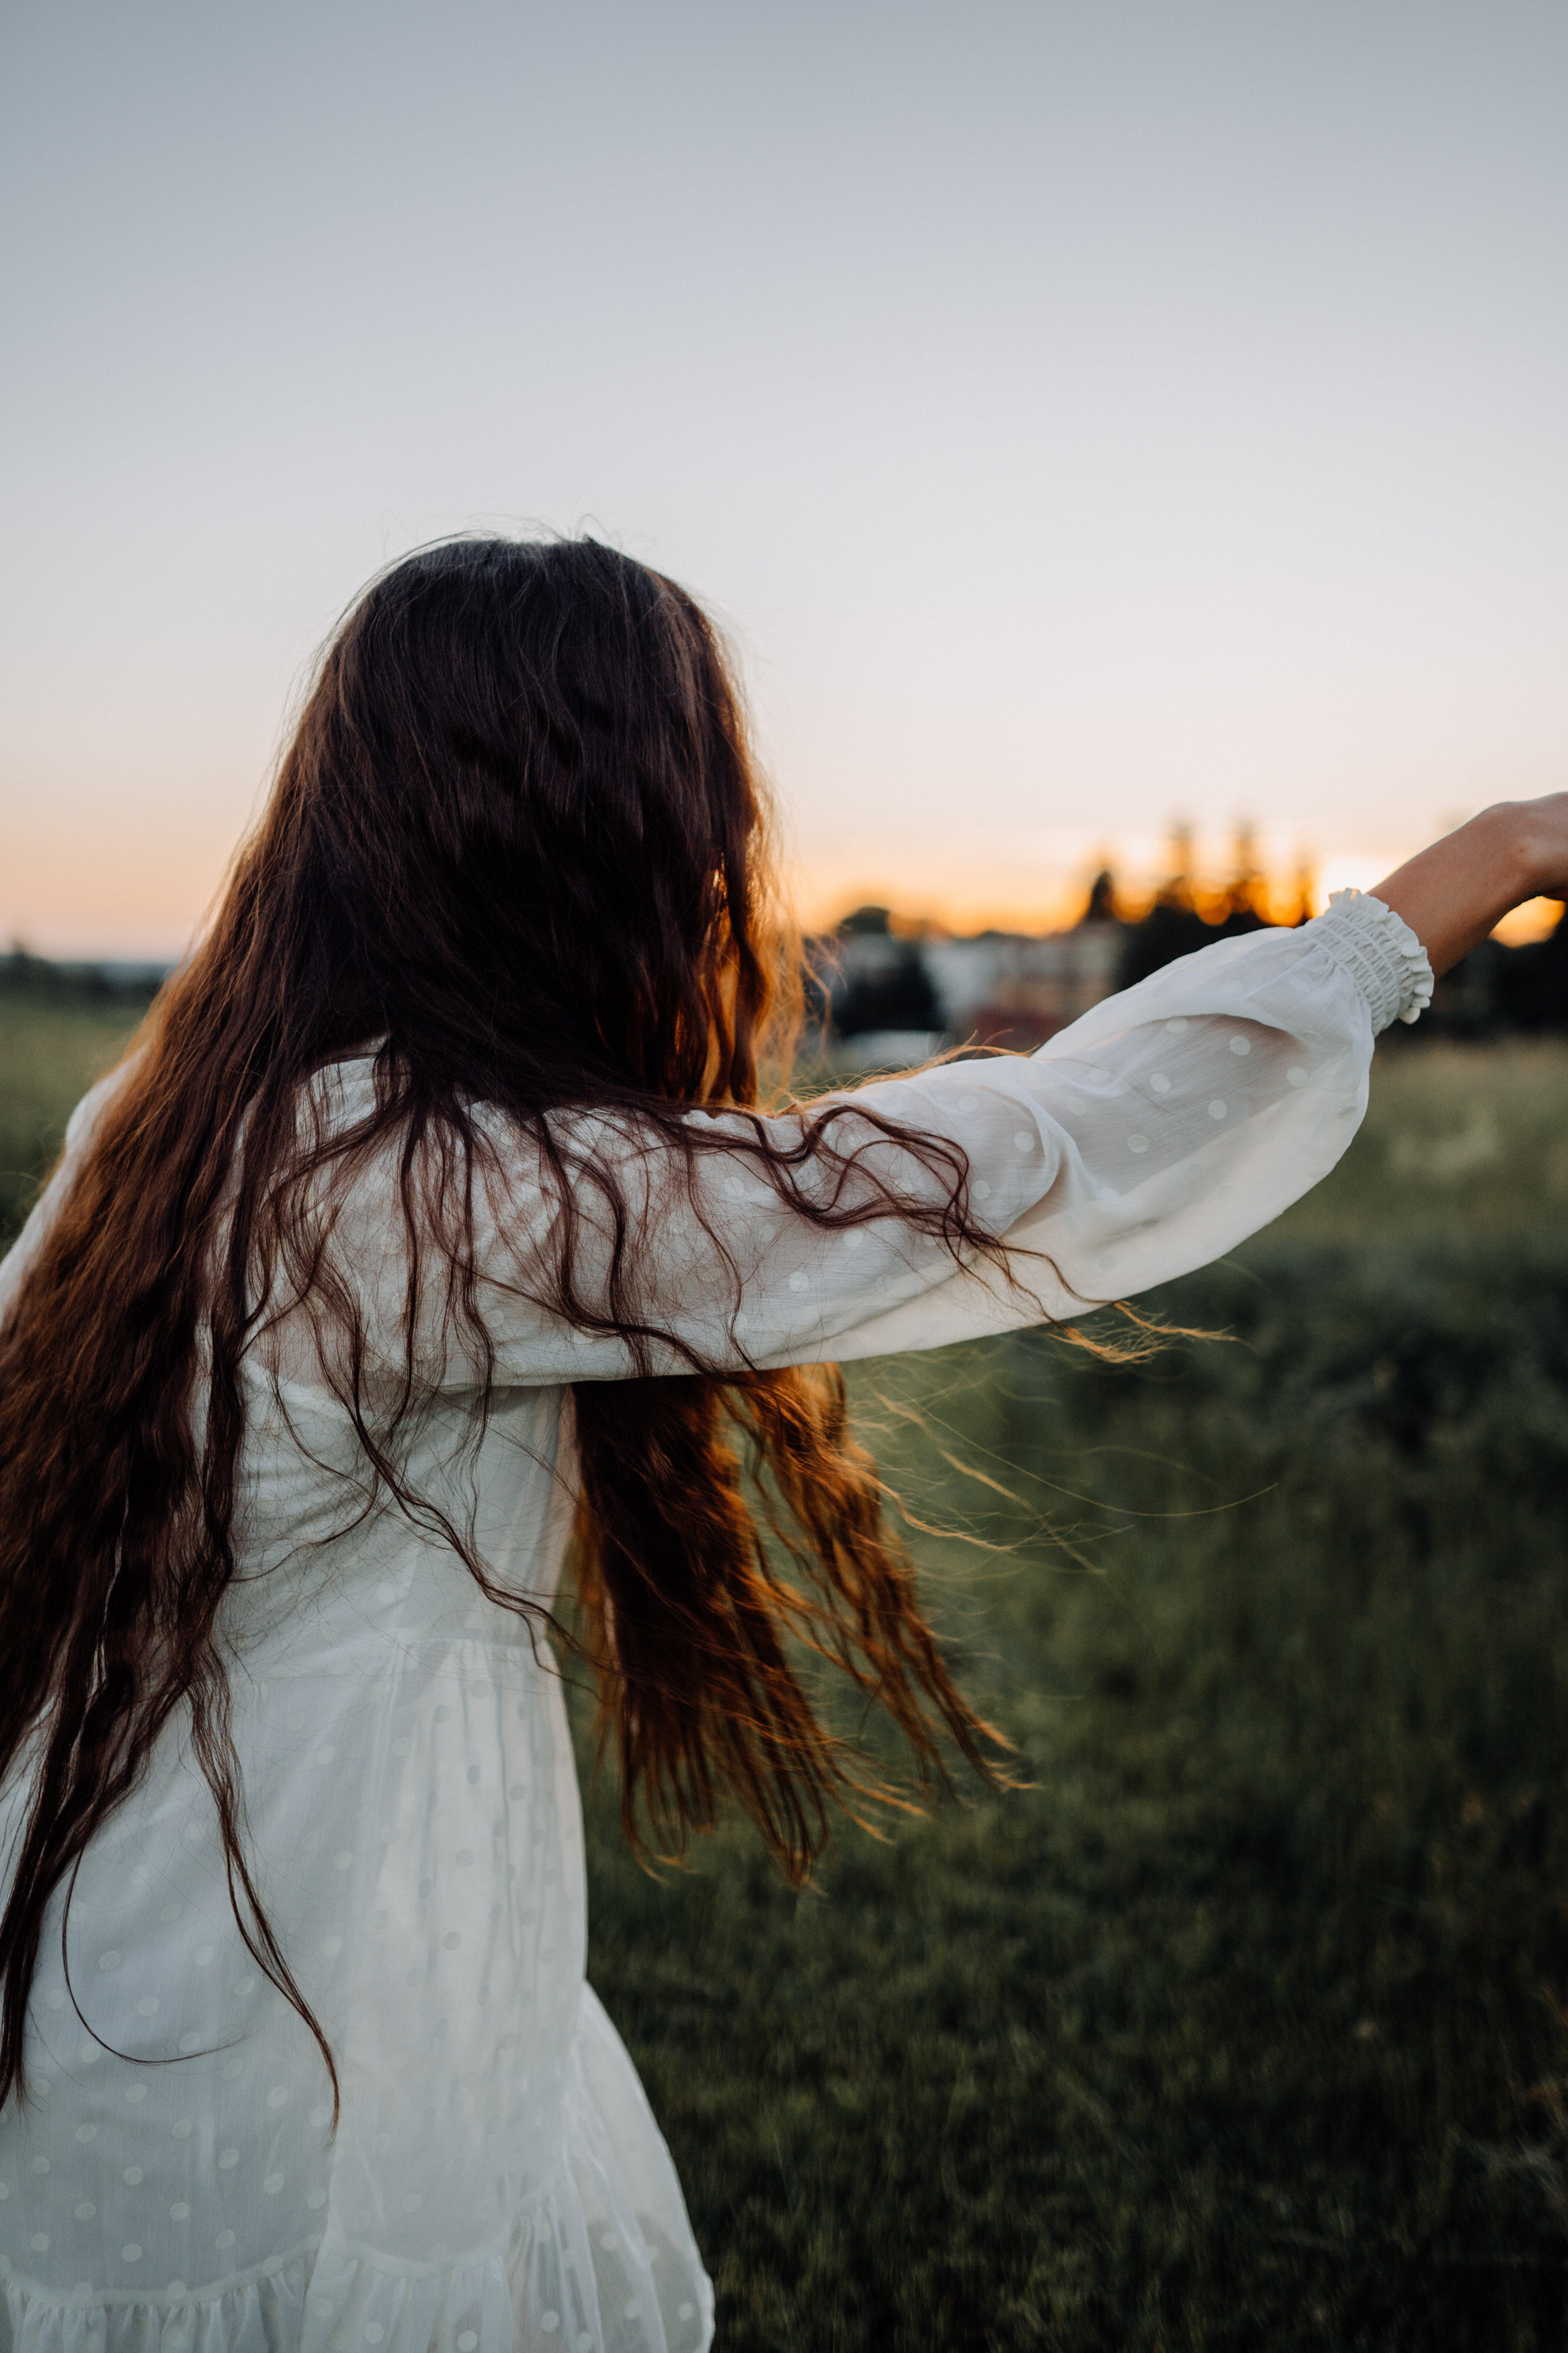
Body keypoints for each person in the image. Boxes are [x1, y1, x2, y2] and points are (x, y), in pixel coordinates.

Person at [0, 538, 1561, 2353]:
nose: (733, 861)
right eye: (701, 809)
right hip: (288, 2034)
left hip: (155, 1949)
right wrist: (1504, 852)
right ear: (589, 835)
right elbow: (1033, 1148)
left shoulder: (195, 1110)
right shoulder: (440, 1198)